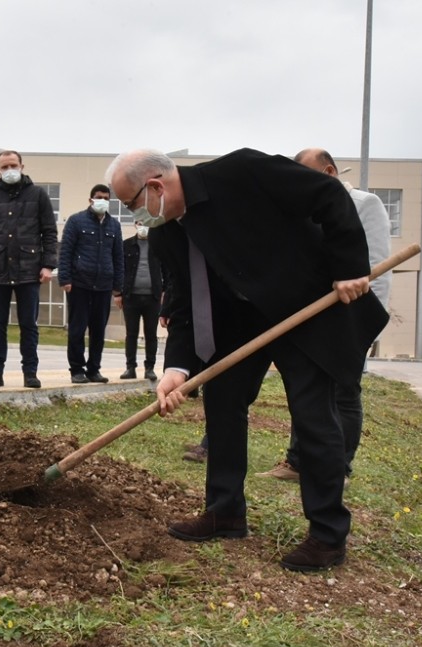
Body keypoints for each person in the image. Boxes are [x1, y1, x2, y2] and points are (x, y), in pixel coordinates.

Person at [105, 148, 387, 572]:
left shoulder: (243, 172)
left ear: (156, 186)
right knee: (222, 404)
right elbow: (185, 303)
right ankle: (225, 512)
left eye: (131, 204)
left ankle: (328, 535)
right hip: (238, 324)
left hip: (302, 307)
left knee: (314, 416)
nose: (133, 216)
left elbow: (328, 195)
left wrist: (349, 265)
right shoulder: (167, 232)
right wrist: (176, 370)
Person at [251, 147, 392, 483]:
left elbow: (377, 268)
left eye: (307, 176)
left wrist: (366, 325)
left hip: (351, 315)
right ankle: (298, 462)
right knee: (307, 389)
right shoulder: (306, 209)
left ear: (329, 173)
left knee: (344, 390)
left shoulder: (365, 204)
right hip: (313, 314)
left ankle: (338, 467)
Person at [0, 150, 58, 389]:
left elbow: (49, 232)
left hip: (29, 271)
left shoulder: (38, 195)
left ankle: (30, 372)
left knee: (28, 325)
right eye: (4, 166)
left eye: (13, 165)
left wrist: (48, 265)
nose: (9, 170)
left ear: (22, 166)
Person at [58, 185, 123, 384]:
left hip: (103, 285)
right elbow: (65, 251)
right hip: (79, 284)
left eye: (106, 197)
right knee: (77, 329)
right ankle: (77, 369)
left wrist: (118, 286)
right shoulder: (76, 221)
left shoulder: (114, 226)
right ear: (91, 199)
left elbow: (118, 257)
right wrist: (65, 279)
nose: (102, 200)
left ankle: (94, 369)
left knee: (98, 331)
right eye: (98, 197)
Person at [119, 220, 165, 382]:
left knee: (150, 334)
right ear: (135, 224)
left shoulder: (158, 245)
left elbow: (166, 269)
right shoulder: (126, 245)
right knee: (131, 334)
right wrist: (118, 294)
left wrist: (164, 292)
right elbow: (120, 269)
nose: (143, 226)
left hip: (153, 298)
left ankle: (150, 368)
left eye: (146, 222)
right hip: (131, 297)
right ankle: (130, 367)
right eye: (140, 222)